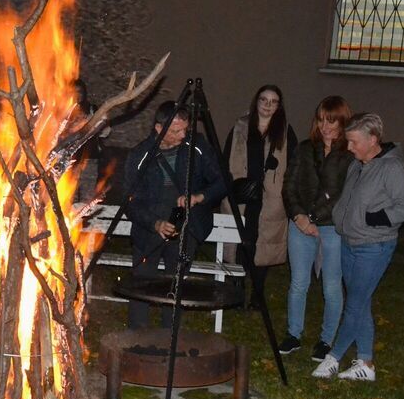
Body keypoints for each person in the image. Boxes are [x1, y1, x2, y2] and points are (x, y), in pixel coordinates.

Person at [311, 114, 404, 382]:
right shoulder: (358, 164)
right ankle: (365, 363)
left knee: (354, 304)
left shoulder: (392, 168)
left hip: (374, 246)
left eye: (354, 142)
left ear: (373, 139)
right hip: (350, 242)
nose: (350, 147)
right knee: (360, 302)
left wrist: (374, 218)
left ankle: (333, 357)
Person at [124, 101, 226, 329]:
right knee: (142, 283)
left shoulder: (197, 147)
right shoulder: (140, 155)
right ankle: (136, 337)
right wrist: (155, 223)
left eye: (185, 129)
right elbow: (131, 201)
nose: (182, 135)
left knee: (175, 283)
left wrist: (198, 197)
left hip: (186, 228)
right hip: (149, 228)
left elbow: (221, 181)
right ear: (159, 129)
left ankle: (169, 338)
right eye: (175, 131)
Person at [278, 96, 353, 361]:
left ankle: (326, 339)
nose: (325, 126)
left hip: (332, 228)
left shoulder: (349, 155)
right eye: (321, 120)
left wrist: (315, 218)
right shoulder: (305, 148)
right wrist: (299, 216)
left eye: (331, 121)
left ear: (343, 122)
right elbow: (289, 185)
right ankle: (293, 334)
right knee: (299, 282)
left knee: (332, 286)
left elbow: (345, 195)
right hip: (300, 225)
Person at [224, 85, 298, 310]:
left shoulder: (285, 132)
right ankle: (236, 292)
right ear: (256, 102)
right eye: (263, 99)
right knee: (238, 244)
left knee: (262, 246)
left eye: (273, 101)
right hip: (242, 195)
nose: (267, 105)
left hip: (270, 200)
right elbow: (226, 157)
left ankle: (258, 293)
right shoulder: (240, 127)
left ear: (279, 106)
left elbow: (293, 165)